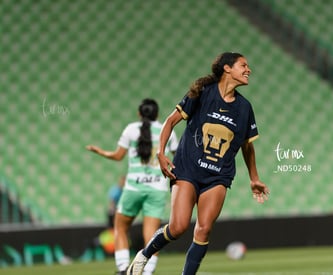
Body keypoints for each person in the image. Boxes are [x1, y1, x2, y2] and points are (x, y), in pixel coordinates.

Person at [127, 52, 270, 275]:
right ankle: (144, 255)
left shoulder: (245, 108)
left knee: (203, 229)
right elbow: (170, 121)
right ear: (227, 69)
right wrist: (161, 154)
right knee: (178, 227)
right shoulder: (203, 93)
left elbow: (247, 146)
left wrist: (254, 178)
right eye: (243, 65)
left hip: (218, 176)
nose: (248, 70)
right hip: (187, 170)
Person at [86, 99, 178, 275]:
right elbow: (178, 158)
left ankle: (123, 270)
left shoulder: (131, 129)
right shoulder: (167, 131)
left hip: (134, 188)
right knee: (152, 236)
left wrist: (101, 152)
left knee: (120, 228)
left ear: (139, 114)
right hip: (157, 189)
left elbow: (118, 156)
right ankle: (147, 272)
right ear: (157, 114)